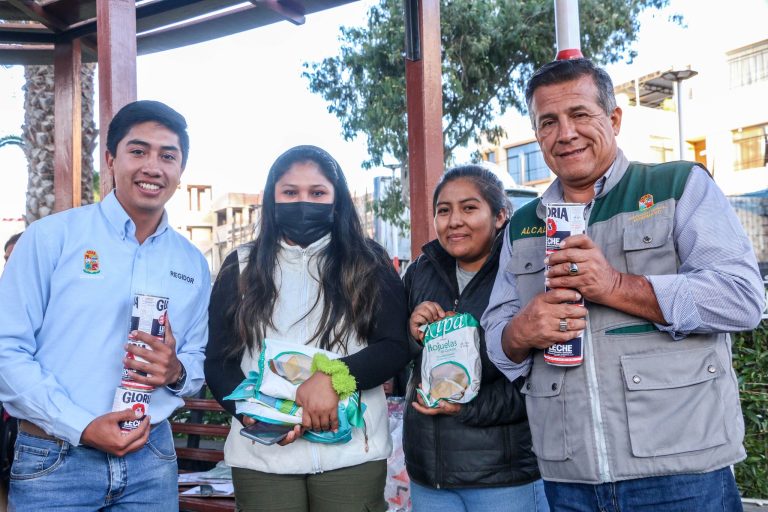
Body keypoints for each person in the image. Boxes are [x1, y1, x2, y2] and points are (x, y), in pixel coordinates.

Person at [482, 58, 766, 511]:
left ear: (613, 119)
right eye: (548, 122)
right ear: (538, 136)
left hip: (682, 473)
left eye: (580, 114)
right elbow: (496, 333)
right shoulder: (522, 225)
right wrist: (520, 331)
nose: (566, 133)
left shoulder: (677, 185)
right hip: (569, 477)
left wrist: (614, 285)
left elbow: (741, 298)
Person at [0, 100, 211, 510]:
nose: (153, 166)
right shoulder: (50, 239)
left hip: (152, 459)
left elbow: (197, 358)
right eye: (138, 151)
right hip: (55, 460)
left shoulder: (192, 262)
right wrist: (81, 425)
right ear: (112, 159)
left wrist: (175, 370)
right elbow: (6, 351)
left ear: (180, 170)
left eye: (168, 156)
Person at [205, 145, 410, 512]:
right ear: (272, 199)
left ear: (336, 200)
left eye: (317, 193)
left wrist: (335, 377)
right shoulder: (241, 266)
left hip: (351, 455)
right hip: (262, 455)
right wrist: (248, 413)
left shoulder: (368, 261)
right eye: (290, 193)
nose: (303, 203)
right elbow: (220, 360)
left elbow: (394, 346)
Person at [402, 164, 548, 512]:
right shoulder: (421, 271)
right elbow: (403, 363)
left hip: (504, 478)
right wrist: (415, 334)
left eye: (469, 208)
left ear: (500, 216)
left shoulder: (524, 272)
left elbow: (542, 381)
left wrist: (470, 409)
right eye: (444, 210)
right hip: (430, 478)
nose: (454, 221)